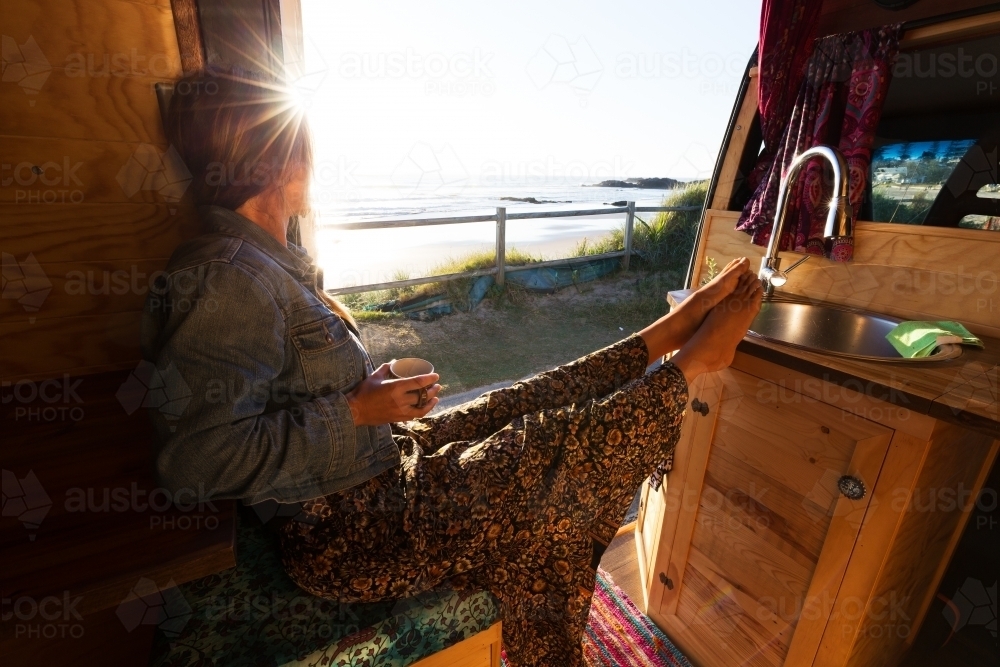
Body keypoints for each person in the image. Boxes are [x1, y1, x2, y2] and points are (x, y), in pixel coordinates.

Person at [142, 70, 763, 667]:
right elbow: (196, 460)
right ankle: (693, 362)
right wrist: (355, 409)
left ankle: (660, 339)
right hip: (348, 531)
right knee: (542, 446)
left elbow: (283, 388)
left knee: (522, 401)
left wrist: (365, 393)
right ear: (278, 158)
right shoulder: (226, 275)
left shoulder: (267, 261)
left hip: (378, 466)